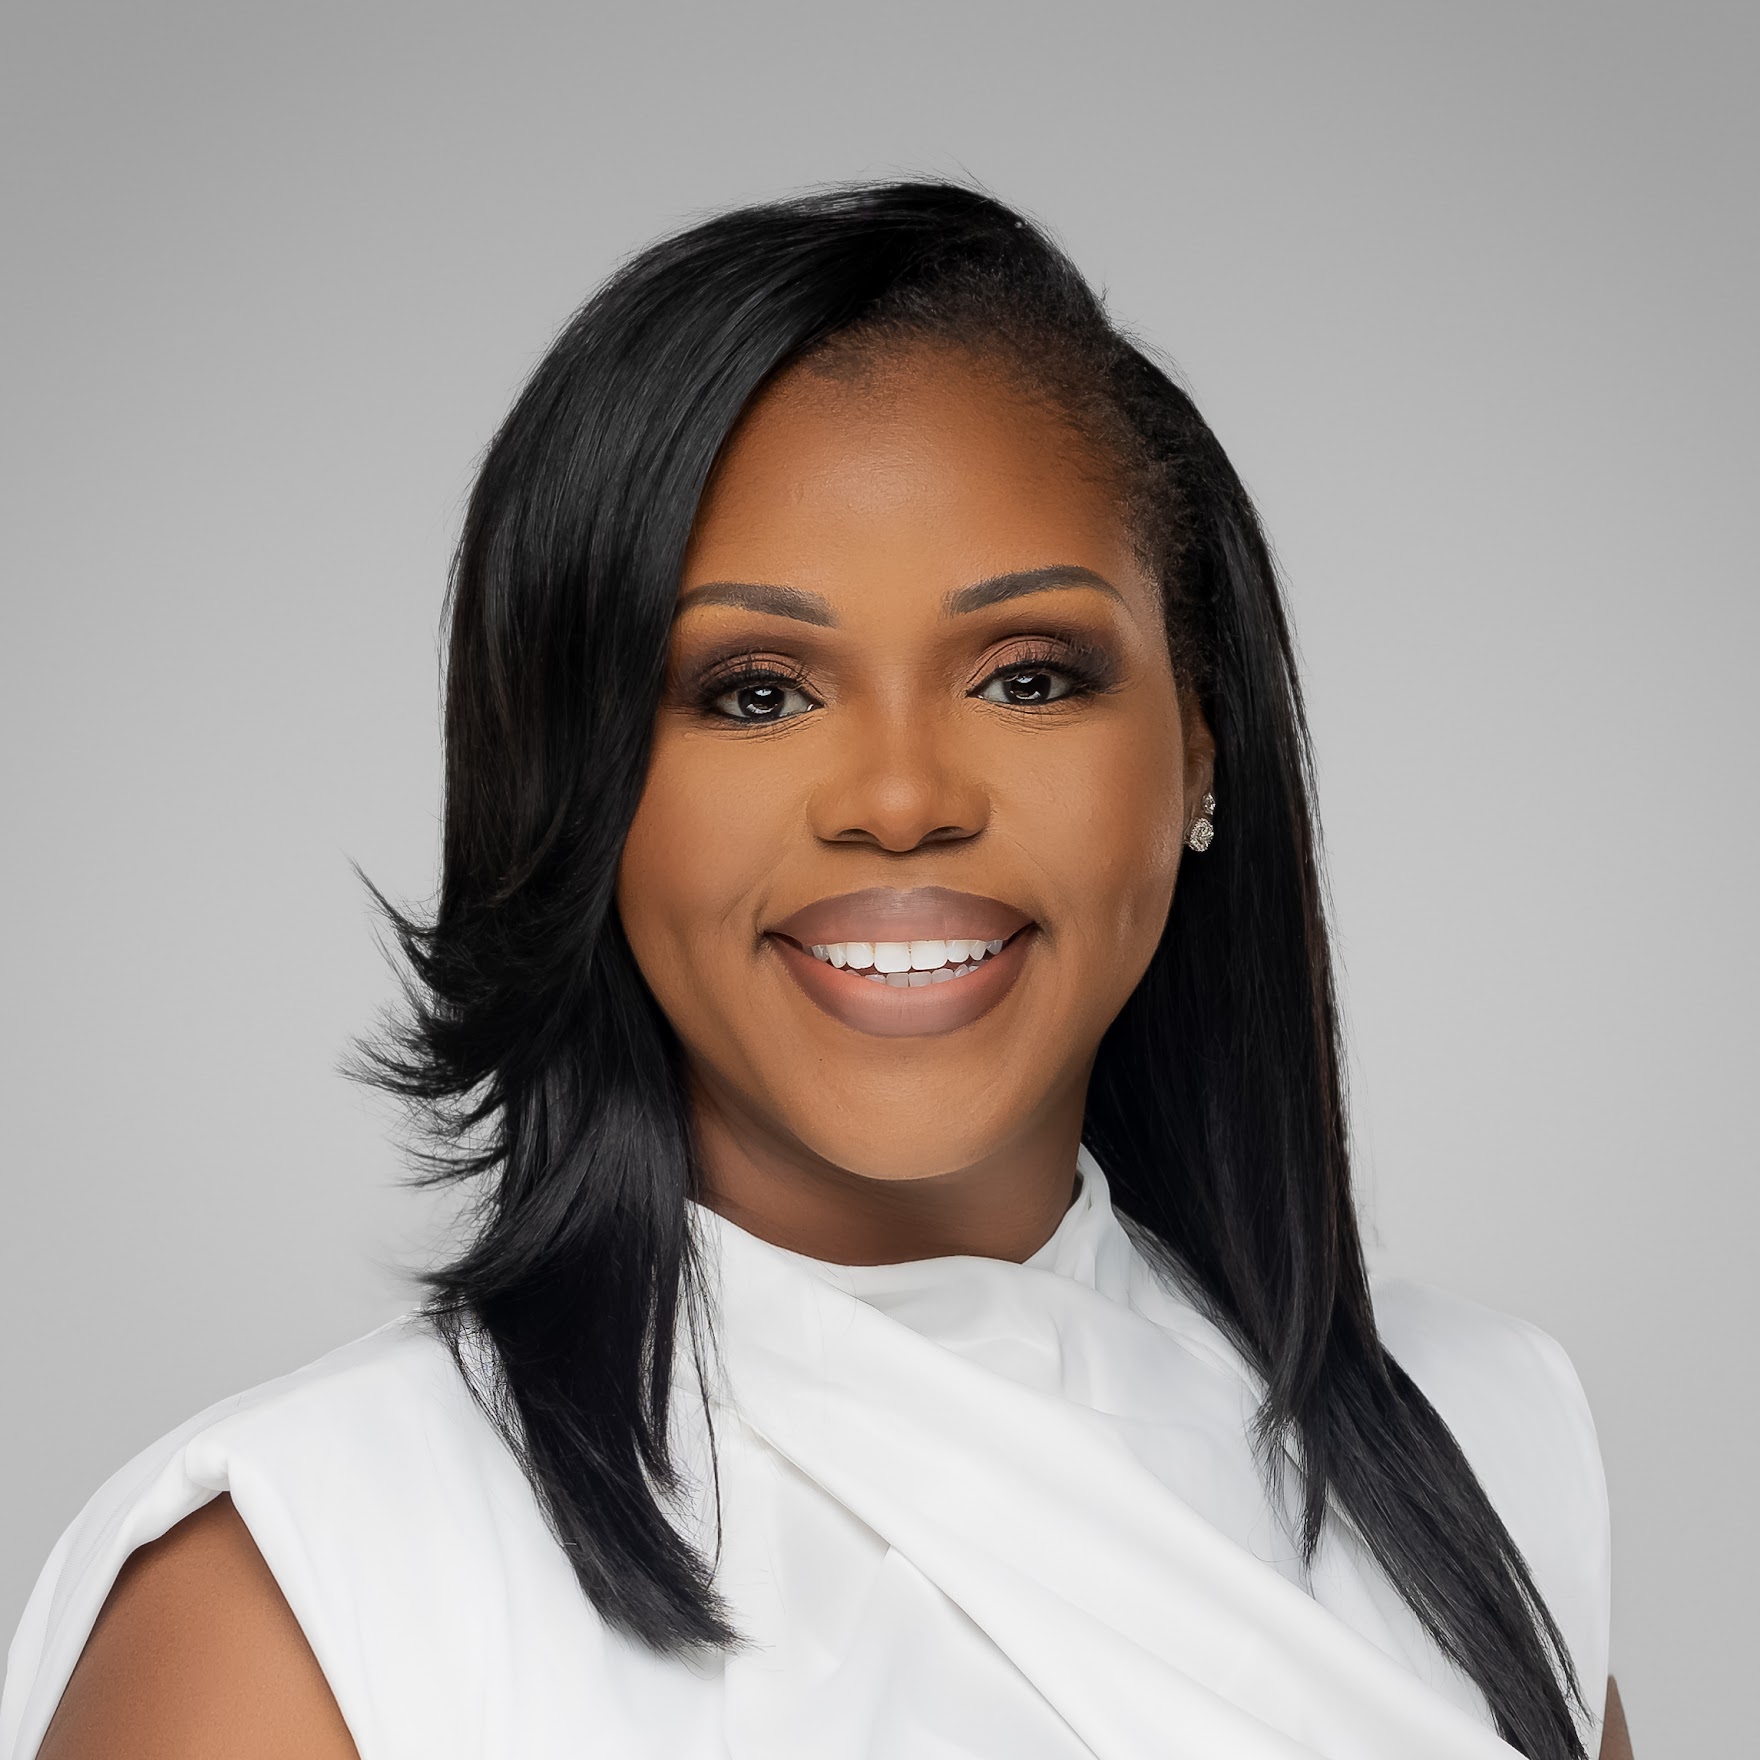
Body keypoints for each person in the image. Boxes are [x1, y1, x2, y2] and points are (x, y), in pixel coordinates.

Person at [0, 183, 1633, 1760]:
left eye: (1027, 675)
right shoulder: (303, 1590)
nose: (903, 799)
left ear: (1199, 746)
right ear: (579, 787)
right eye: (757, 692)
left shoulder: (1478, 1452)